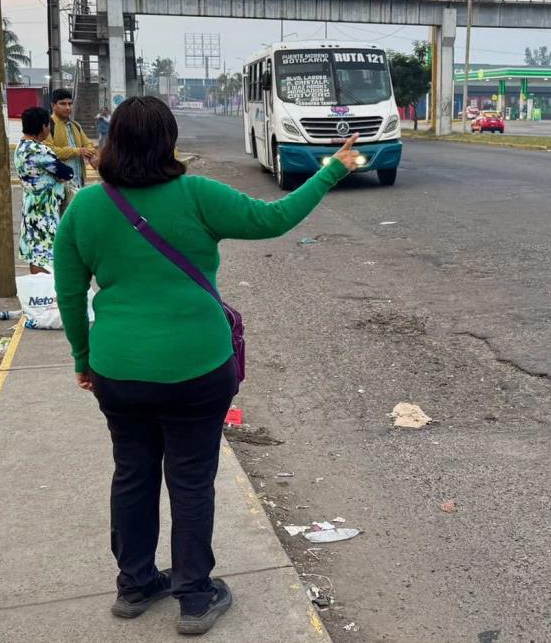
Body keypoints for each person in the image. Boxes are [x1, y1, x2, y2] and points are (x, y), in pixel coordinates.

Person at [53, 96, 358, 635]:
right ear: (168, 142)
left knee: (133, 473)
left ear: (112, 142)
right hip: (198, 367)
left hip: (118, 370)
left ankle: (134, 585)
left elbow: (69, 294)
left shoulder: (84, 208)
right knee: (192, 480)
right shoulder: (196, 195)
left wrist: (84, 359)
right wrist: (333, 168)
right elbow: (275, 218)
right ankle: (195, 596)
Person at [14, 107, 74, 274]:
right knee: (46, 252)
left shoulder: (21, 146)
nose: (49, 129)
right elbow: (67, 173)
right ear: (43, 127)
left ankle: (37, 290)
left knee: (35, 251)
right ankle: (46, 293)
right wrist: (57, 177)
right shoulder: (38, 150)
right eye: (48, 125)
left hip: (31, 205)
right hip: (45, 210)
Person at [46, 88, 99, 188]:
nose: (67, 108)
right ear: (53, 105)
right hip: (58, 185)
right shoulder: (48, 126)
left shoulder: (75, 125)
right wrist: (77, 151)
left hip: (78, 181)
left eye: (70, 104)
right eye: (63, 104)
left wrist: (91, 154)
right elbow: (49, 151)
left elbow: (88, 144)